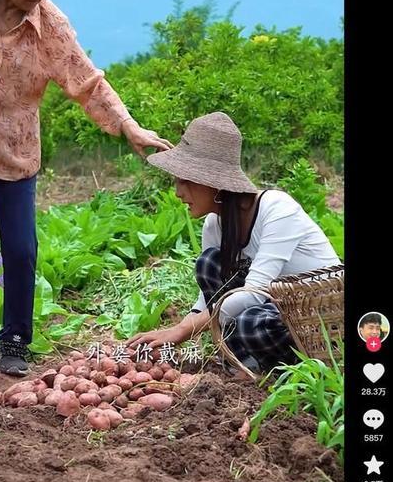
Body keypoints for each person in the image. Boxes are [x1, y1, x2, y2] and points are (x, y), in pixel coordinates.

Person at [0, 0, 172, 376]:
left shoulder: (52, 27)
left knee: (22, 248)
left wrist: (129, 127)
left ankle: (14, 341)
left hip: (16, 143)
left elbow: (87, 83)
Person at [127, 112, 341, 372]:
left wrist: (183, 331)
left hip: (318, 317)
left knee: (252, 323)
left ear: (214, 183)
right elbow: (209, 296)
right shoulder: (215, 224)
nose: (178, 192)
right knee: (209, 264)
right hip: (274, 308)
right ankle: (248, 365)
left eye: (185, 181)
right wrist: (182, 327)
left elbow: (253, 293)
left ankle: (283, 368)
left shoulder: (277, 209)